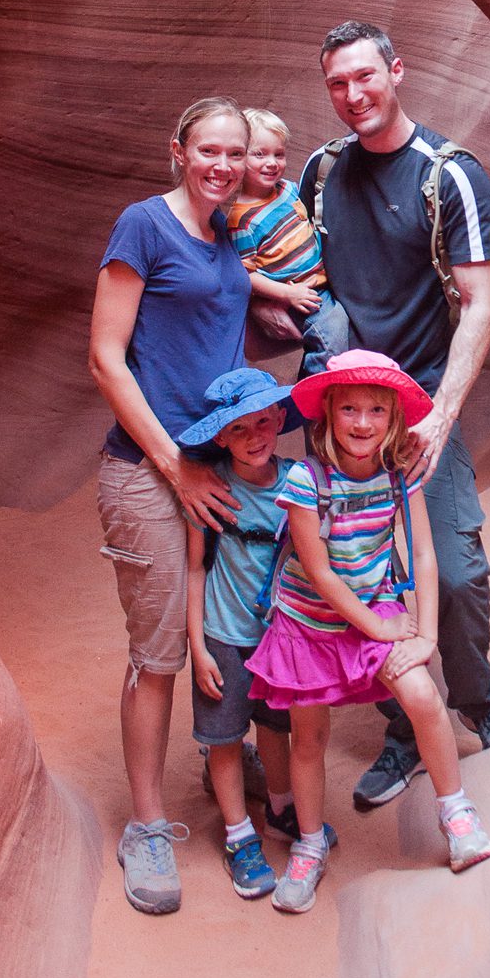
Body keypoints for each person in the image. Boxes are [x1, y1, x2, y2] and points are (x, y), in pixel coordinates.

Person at [296, 21, 490, 811]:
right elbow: (290, 268)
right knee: (361, 573)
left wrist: (441, 415)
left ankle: (477, 694)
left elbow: (482, 299)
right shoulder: (321, 172)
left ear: (397, 70)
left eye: (365, 76)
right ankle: (404, 727)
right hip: (341, 407)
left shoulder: (448, 175)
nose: (353, 96)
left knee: (452, 571)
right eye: (337, 83)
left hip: (420, 401)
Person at [246, 351, 490, 913]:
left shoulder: (396, 476)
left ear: (394, 419)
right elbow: (321, 573)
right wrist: (381, 627)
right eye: (350, 409)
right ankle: (309, 845)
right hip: (310, 624)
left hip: (372, 610)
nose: (363, 423)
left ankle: (455, 812)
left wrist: (424, 636)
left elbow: (425, 555)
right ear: (329, 414)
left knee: (423, 696)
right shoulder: (306, 482)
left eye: (377, 411)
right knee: (308, 738)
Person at [89, 96, 252, 915]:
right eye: (207, 150)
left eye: (234, 152)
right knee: (159, 652)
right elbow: (106, 358)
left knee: (225, 628)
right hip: (151, 472)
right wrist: (176, 465)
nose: (220, 164)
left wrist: (283, 296)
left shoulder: (226, 234)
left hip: (220, 468)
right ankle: (148, 825)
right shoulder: (143, 225)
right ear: (178, 150)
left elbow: (220, 305)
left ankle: (226, 763)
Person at [180, 365, 336, 899]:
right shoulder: (212, 489)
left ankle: (280, 806)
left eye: (264, 422)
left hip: (281, 639)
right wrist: (198, 646)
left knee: (275, 728)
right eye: (240, 429)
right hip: (225, 635)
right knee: (224, 739)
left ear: (279, 421)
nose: (255, 438)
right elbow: (196, 567)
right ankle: (238, 835)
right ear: (221, 436)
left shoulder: (298, 481)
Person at [229, 107, 349, 377]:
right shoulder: (242, 219)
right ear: (239, 158)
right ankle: (317, 393)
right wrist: (286, 295)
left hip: (322, 283)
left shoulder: (288, 190)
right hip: (298, 296)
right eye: (259, 154)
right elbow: (245, 275)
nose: (271, 162)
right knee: (332, 335)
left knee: (342, 333)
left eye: (278, 154)